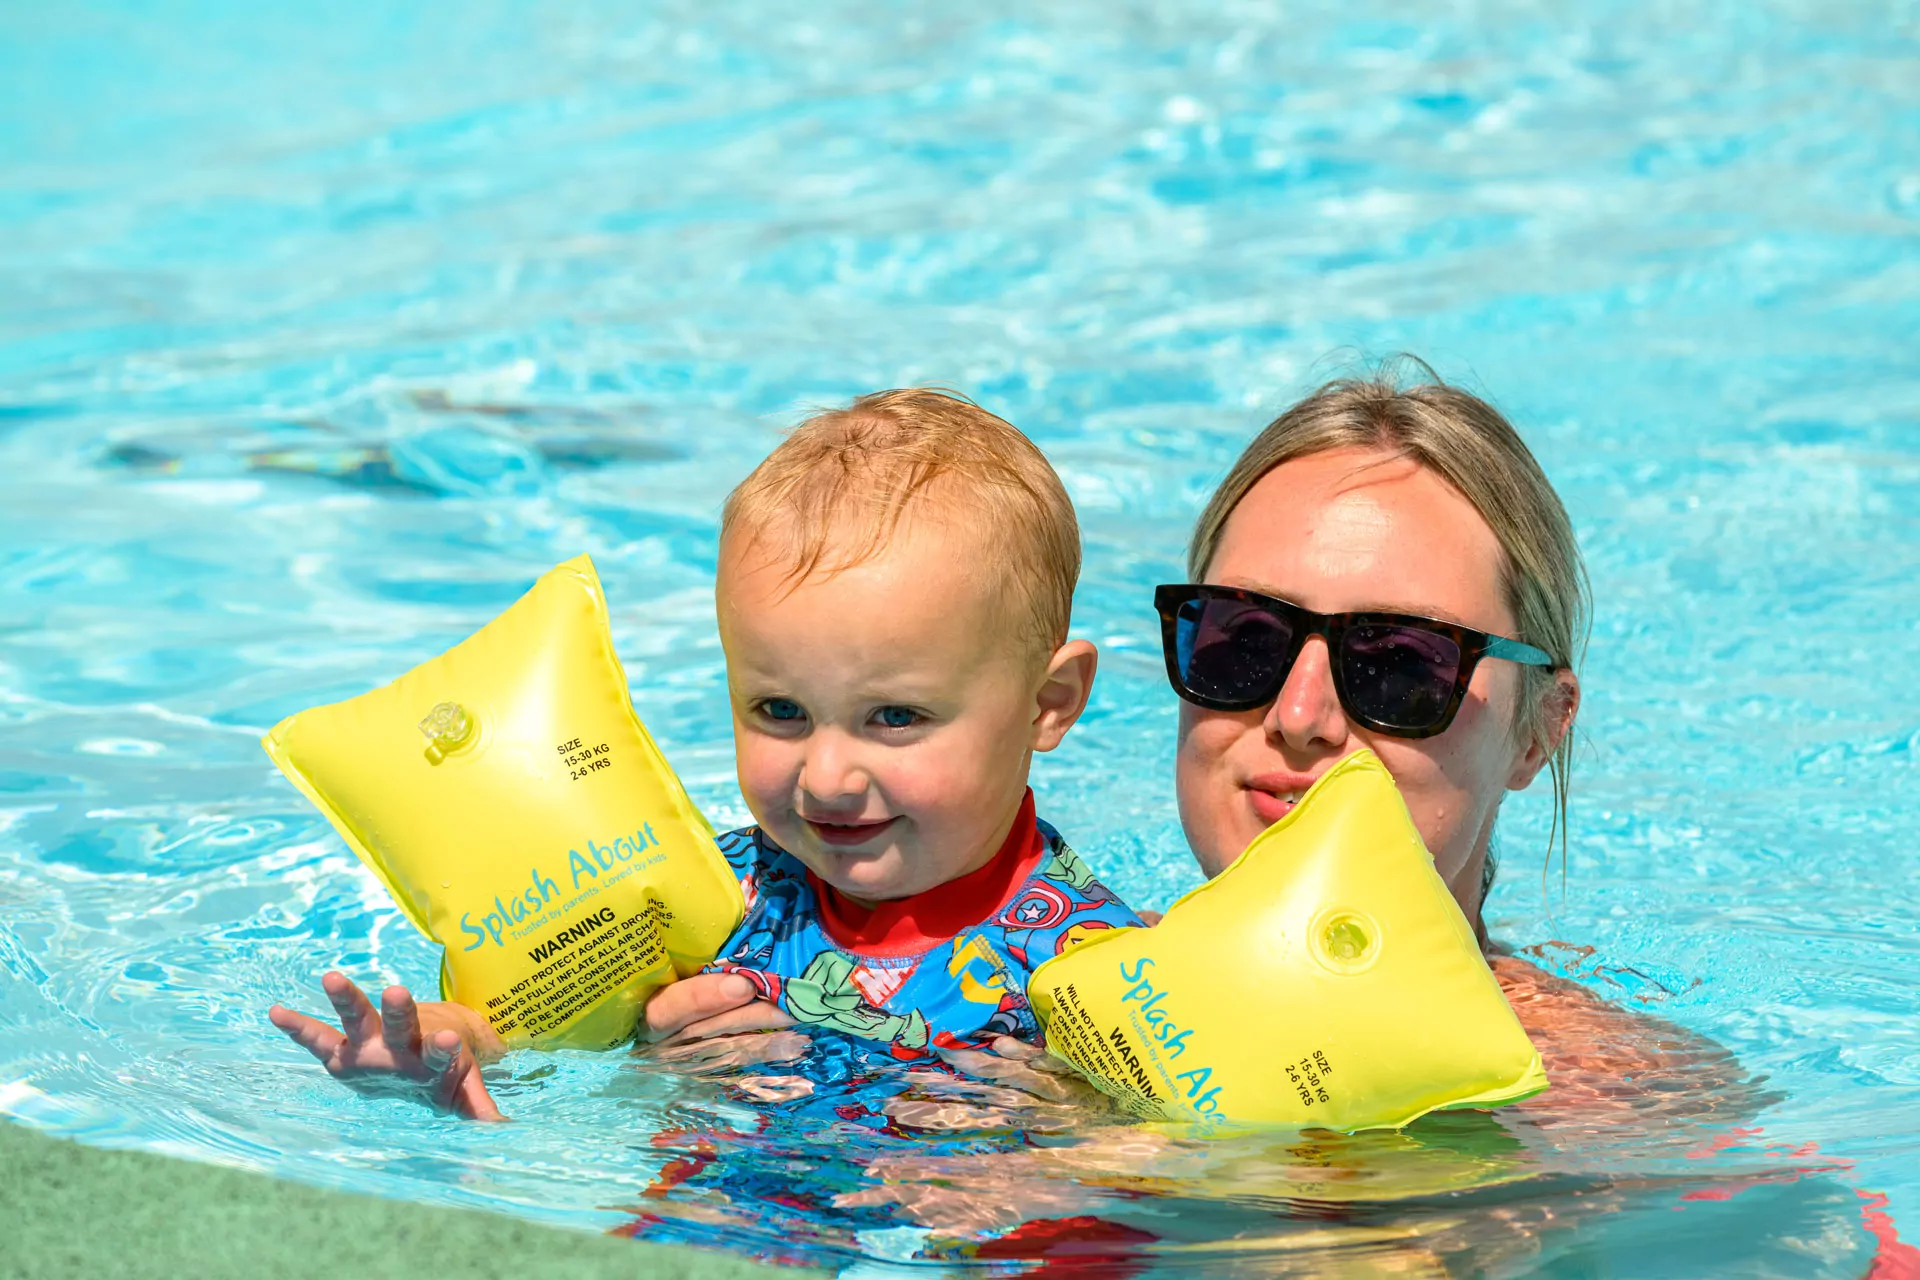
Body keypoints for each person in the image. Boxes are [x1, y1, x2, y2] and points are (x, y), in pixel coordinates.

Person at [266, 388, 1143, 1116]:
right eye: (781, 710)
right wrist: (443, 1047)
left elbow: (1192, 1163)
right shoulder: (706, 901)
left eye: (895, 718)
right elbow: (540, 1034)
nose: (826, 778)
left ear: (1047, 705)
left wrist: (1069, 1134)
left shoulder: (1098, 969)